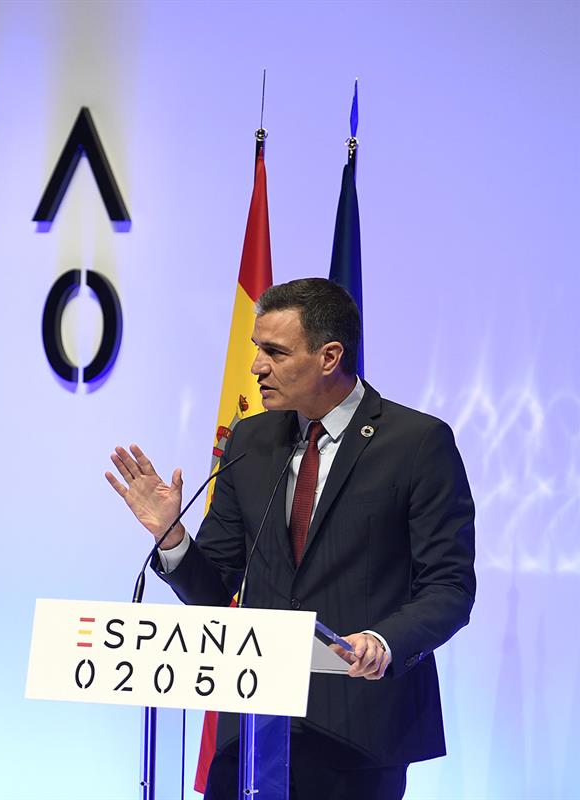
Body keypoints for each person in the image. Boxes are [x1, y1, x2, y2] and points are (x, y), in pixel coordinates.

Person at [104, 278, 476, 800]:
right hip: (251, 730)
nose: (257, 366)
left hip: (358, 733)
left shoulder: (416, 443)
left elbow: (449, 588)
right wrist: (172, 537)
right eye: (258, 349)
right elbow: (215, 589)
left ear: (330, 356)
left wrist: (384, 643)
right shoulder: (252, 439)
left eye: (274, 352)